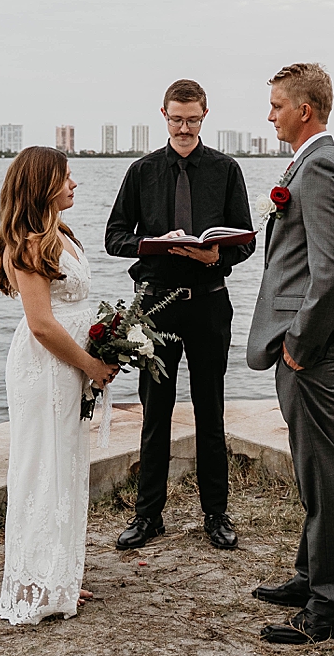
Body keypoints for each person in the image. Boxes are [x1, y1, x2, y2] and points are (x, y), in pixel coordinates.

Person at [105, 79, 255, 551]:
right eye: (176, 119)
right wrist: (155, 245)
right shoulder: (142, 171)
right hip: (155, 307)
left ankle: (216, 515)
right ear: (163, 115)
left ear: (205, 114)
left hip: (210, 302)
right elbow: (114, 238)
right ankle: (148, 516)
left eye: (192, 118)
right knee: (156, 414)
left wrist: (217, 259)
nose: (185, 127)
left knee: (211, 411)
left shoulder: (226, 170)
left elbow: (247, 240)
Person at [246, 63, 334, 645]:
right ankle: (308, 575)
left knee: (322, 475)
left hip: (311, 352)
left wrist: (300, 343)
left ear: (305, 111)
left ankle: (330, 610)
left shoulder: (318, 169)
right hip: (305, 347)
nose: (270, 115)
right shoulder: (312, 162)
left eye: (276, 105)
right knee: (311, 468)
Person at [0, 146, 119, 625]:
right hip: (45, 367)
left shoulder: (60, 233)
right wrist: (90, 363)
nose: (74, 184)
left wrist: (107, 344)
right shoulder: (26, 241)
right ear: (43, 184)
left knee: (64, 468)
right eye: (66, 177)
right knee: (41, 468)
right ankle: (31, 584)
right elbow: (42, 324)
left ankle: (56, 576)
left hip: (67, 366)